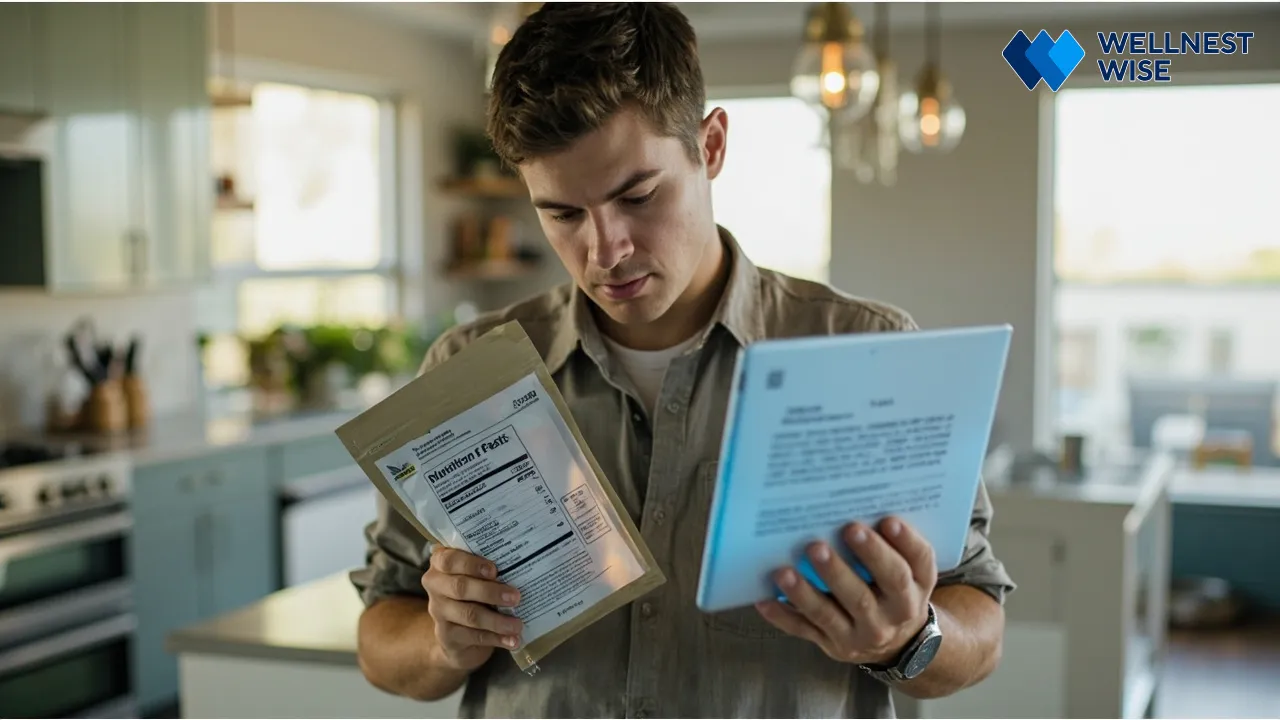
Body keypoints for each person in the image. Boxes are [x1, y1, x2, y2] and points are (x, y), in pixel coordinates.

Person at [350, 3, 1015, 717]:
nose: (606, 251)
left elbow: (981, 616)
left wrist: (908, 637)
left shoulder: (867, 349)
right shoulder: (469, 369)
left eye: (638, 195)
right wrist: (443, 644)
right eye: (562, 214)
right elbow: (381, 631)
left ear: (713, 145)